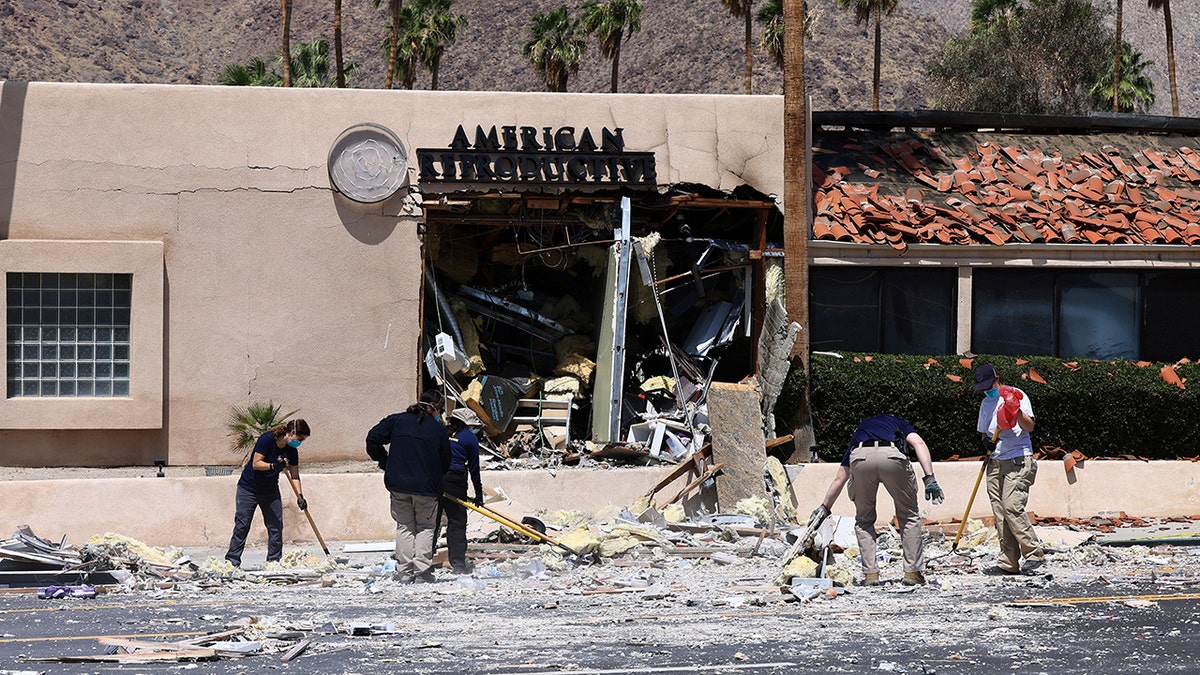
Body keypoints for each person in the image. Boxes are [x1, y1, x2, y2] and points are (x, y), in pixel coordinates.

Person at [809, 414, 944, 586]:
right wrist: (930, 478)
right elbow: (919, 443)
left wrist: (825, 507)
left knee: (864, 520)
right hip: (892, 456)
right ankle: (912, 573)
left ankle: (870, 575)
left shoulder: (859, 435)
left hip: (860, 457)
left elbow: (840, 478)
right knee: (909, 517)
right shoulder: (899, 423)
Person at [366, 389, 452, 583]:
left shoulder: (397, 421)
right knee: (425, 527)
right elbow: (446, 461)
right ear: (435, 409)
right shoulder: (438, 430)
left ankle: (404, 572)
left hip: (398, 484)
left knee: (404, 527)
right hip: (427, 488)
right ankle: (421, 571)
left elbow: (372, 438)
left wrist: (385, 461)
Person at [974, 363, 1045, 575]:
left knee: (1012, 506)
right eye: (984, 388)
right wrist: (986, 443)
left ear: (998, 379)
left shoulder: (1017, 394)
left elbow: (1030, 426)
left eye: (990, 385)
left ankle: (1034, 554)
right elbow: (984, 433)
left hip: (1018, 458)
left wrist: (1015, 409)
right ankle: (1009, 562)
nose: (988, 390)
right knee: (1000, 513)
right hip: (995, 461)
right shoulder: (986, 403)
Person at [225, 419, 311, 568]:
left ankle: (273, 562)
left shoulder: (291, 451)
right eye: (300, 439)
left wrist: (300, 496)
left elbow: (295, 476)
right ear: (292, 433)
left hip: (270, 491)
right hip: (249, 488)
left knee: (275, 526)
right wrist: (273, 466)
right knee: (242, 525)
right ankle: (232, 561)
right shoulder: (267, 439)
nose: (300, 443)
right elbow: (256, 464)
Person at [440, 407, 485, 575]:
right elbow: (474, 469)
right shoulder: (469, 438)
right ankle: (458, 564)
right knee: (457, 523)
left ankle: (422, 563)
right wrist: (479, 494)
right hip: (455, 480)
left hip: (437, 478)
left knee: (431, 523)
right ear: (468, 424)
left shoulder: (442, 433)